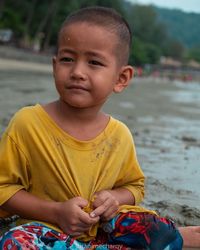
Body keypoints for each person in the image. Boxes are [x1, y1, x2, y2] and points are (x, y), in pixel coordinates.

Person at [0, 6, 199, 249]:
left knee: (153, 228)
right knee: (14, 242)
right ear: (54, 67)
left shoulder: (119, 135)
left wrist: (114, 198)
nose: (77, 72)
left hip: (103, 229)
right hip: (45, 229)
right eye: (67, 59)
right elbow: (4, 190)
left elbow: (134, 187)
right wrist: (56, 212)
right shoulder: (27, 123)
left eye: (94, 62)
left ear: (121, 78)